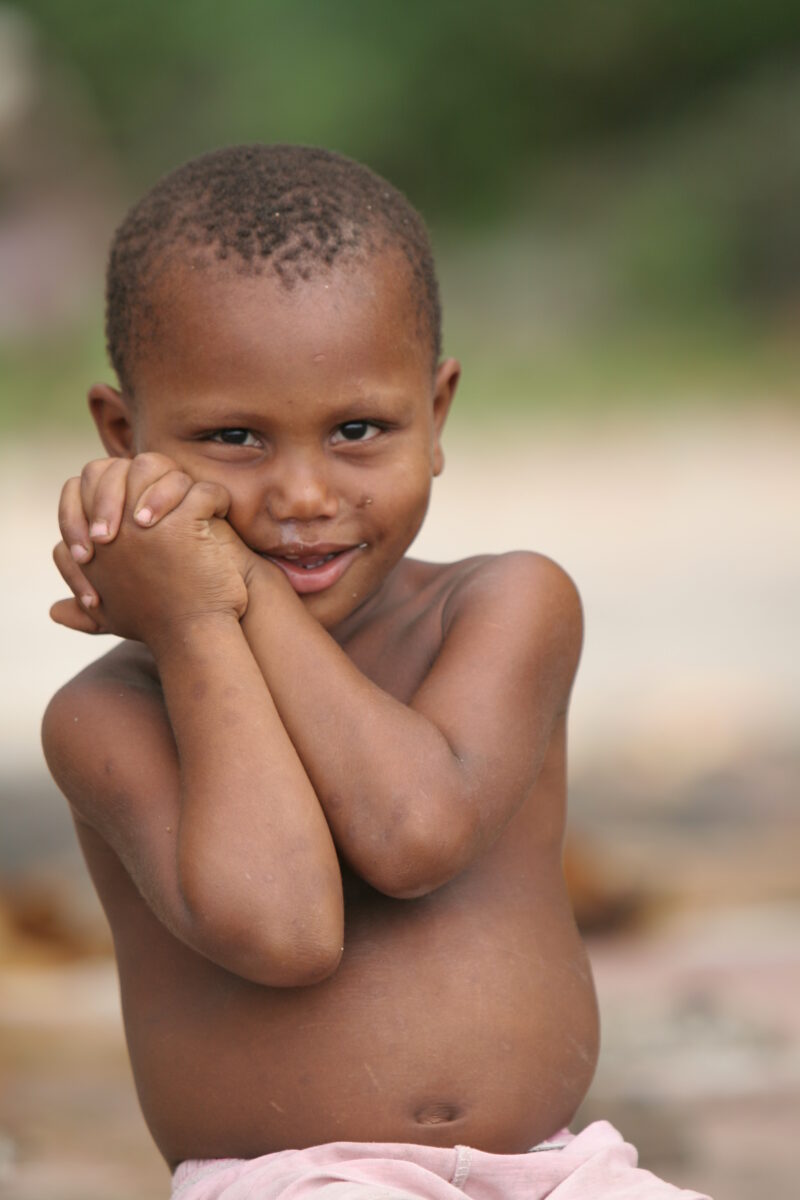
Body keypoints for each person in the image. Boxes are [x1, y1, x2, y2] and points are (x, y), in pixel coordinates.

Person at [43, 144, 710, 1199]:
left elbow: (412, 832)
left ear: (434, 415)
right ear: (128, 439)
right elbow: (286, 930)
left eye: (358, 430)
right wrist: (199, 629)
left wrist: (234, 586)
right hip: (298, 1181)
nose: (304, 493)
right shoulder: (109, 715)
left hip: (559, 1168)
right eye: (232, 439)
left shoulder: (505, 607)